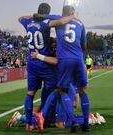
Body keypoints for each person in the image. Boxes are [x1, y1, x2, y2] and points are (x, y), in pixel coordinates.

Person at [19, 3, 77, 132]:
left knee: (30, 93)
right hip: (44, 63)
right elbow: (61, 20)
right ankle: (46, 116)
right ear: (47, 13)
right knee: (56, 89)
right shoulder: (46, 22)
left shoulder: (27, 22)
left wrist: (33, 17)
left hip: (31, 62)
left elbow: (19, 18)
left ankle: (28, 123)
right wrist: (73, 17)